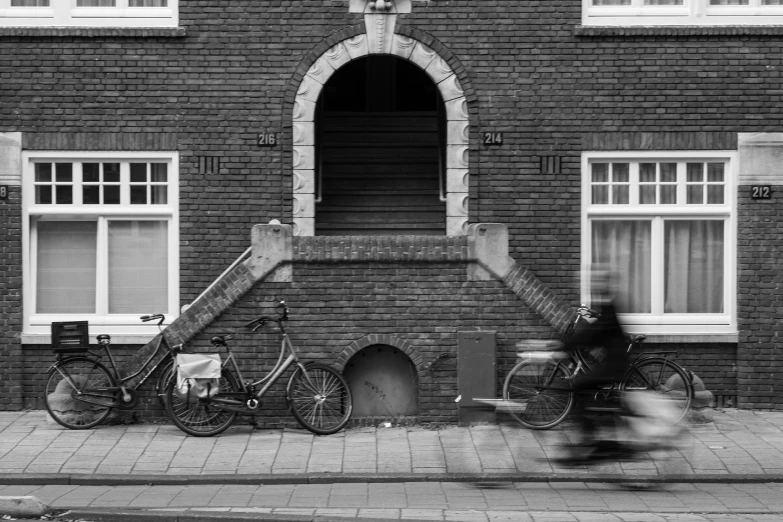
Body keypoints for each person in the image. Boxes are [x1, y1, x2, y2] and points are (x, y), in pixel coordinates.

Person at [556, 267, 632, 464]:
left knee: (577, 385)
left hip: (615, 364)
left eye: (595, 282)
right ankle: (603, 439)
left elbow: (598, 330)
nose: (592, 286)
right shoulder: (605, 301)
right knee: (595, 396)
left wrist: (567, 344)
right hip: (613, 361)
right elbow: (598, 331)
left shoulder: (608, 302)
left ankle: (589, 438)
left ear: (603, 284)